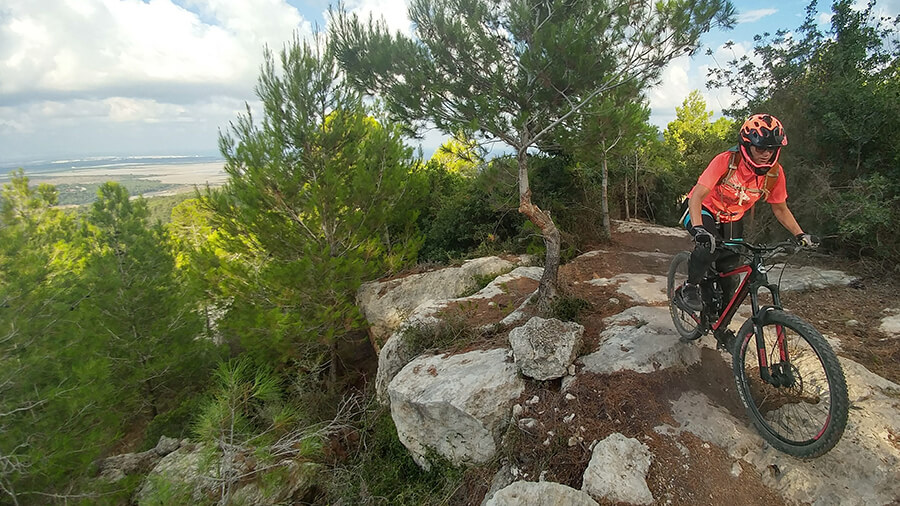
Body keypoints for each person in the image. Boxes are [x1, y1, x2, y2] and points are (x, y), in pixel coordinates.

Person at [676, 113, 817, 311]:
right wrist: (699, 230)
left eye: (772, 148)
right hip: (703, 209)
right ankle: (689, 287)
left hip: (732, 217)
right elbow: (697, 196)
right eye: (760, 148)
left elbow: (780, 208)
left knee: (731, 273)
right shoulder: (726, 161)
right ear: (747, 145)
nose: (766, 153)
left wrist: (800, 234)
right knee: (709, 247)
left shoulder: (775, 173)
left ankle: (721, 324)